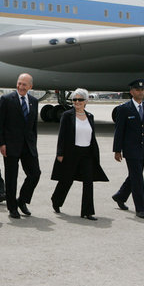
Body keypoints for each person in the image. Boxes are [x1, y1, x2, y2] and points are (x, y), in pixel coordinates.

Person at [50, 88, 108, 221]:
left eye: (80, 100)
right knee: (66, 180)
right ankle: (56, 200)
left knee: (88, 182)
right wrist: (60, 153)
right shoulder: (67, 115)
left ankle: (87, 211)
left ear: (86, 101)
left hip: (87, 154)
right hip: (71, 152)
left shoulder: (90, 117)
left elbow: (91, 136)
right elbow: (62, 135)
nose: (77, 102)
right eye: (74, 100)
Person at [112, 79, 144, 219]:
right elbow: (119, 131)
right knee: (138, 179)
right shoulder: (124, 108)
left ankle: (120, 196)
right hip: (130, 149)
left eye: (142, 90)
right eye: (138, 90)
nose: (141, 92)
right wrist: (117, 150)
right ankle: (141, 209)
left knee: (135, 176)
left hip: (142, 148)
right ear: (131, 92)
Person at [0, 73, 41, 219]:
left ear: (30, 86)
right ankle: (12, 208)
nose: (21, 87)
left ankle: (22, 200)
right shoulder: (7, 99)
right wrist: (1, 143)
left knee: (35, 174)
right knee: (11, 178)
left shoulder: (34, 101)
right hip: (10, 145)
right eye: (19, 83)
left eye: (24, 84)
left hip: (28, 145)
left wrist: (34, 142)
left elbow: (34, 126)